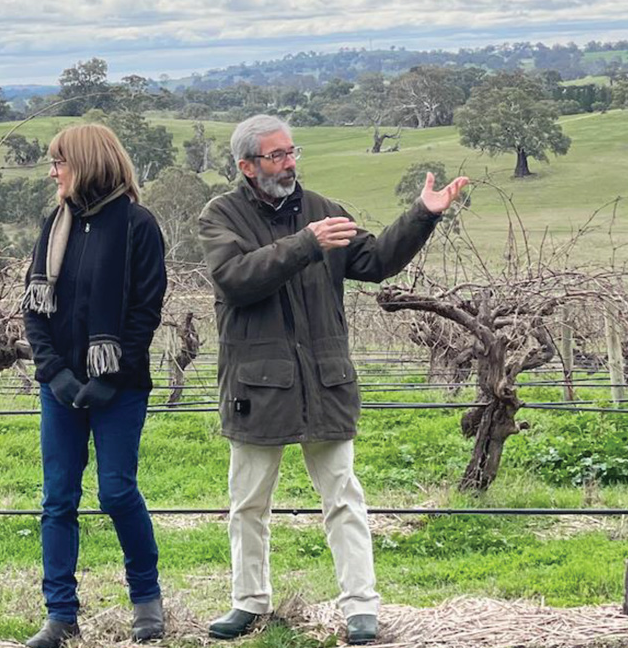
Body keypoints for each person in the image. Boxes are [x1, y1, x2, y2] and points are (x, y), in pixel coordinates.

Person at [198, 115, 468, 645]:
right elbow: (234, 280)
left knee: (344, 496)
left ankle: (360, 610)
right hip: (257, 388)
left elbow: (375, 260)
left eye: (292, 152)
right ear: (246, 166)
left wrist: (422, 216)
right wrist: (305, 244)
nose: (289, 163)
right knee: (248, 502)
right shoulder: (219, 215)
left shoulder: (325, 210)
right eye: (276, 156)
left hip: (325, 380)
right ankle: (248, 603)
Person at [21, 123, 169, 648]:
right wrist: (56, 374)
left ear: (86, 162)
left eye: (59, 162)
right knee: (58, 499)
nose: (53, 172)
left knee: (116, 491)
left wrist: (111, 378)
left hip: (120, 391)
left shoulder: (138, 226)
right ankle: (60, 616)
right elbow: (34, 312)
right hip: (59, 389)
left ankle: (146, 599)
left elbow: (144, 314)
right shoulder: (53, 224)